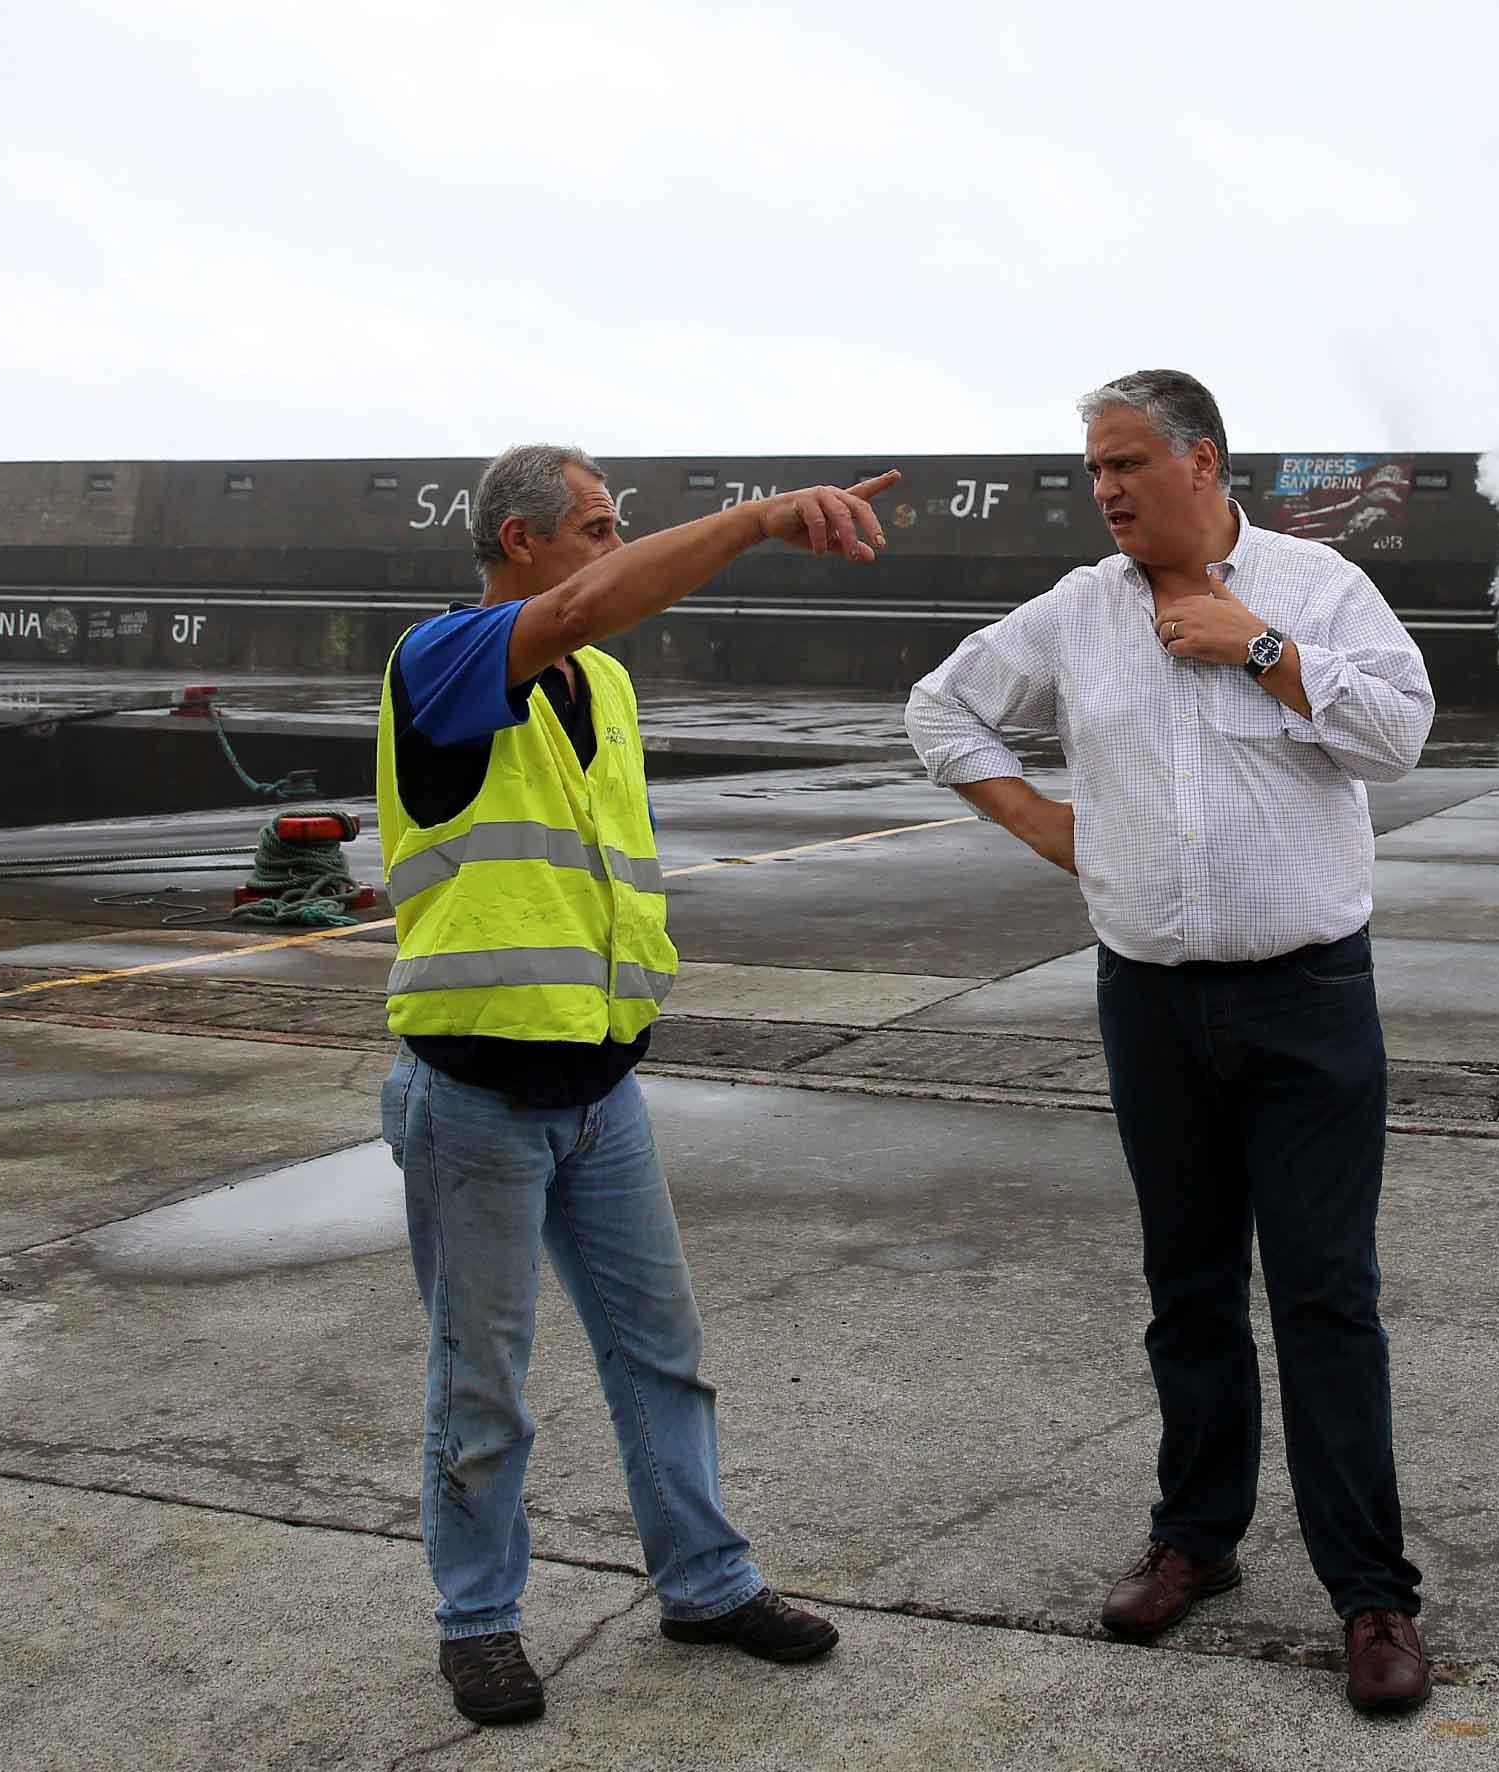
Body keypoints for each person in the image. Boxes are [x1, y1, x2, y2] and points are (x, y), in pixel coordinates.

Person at [903, 371, 1437, 1715]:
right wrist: (1050, 831)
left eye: (1128, 463)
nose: (1107, 491)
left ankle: (1371, 1598)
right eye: (1093, 471)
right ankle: (1196, 1542)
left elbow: (1404, 735)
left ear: (1204, 460)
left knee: (1325, 1296)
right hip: (1148, 998)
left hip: (1307, 994)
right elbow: (940, 713)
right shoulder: (1078, 613)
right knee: (1187, 1288)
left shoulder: (1314, 588)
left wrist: (1262, 649)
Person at [378, 444, 896, 1725]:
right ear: (518, 541)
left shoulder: (600, 682)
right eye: (599, 527)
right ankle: (479, 1618)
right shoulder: (441, 655)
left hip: (601, 1094)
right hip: (475, 1095)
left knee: (661, 1355)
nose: (615, 547)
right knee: (480, 1376)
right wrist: (764, 517)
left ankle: (706, 1581)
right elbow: (565, 615)